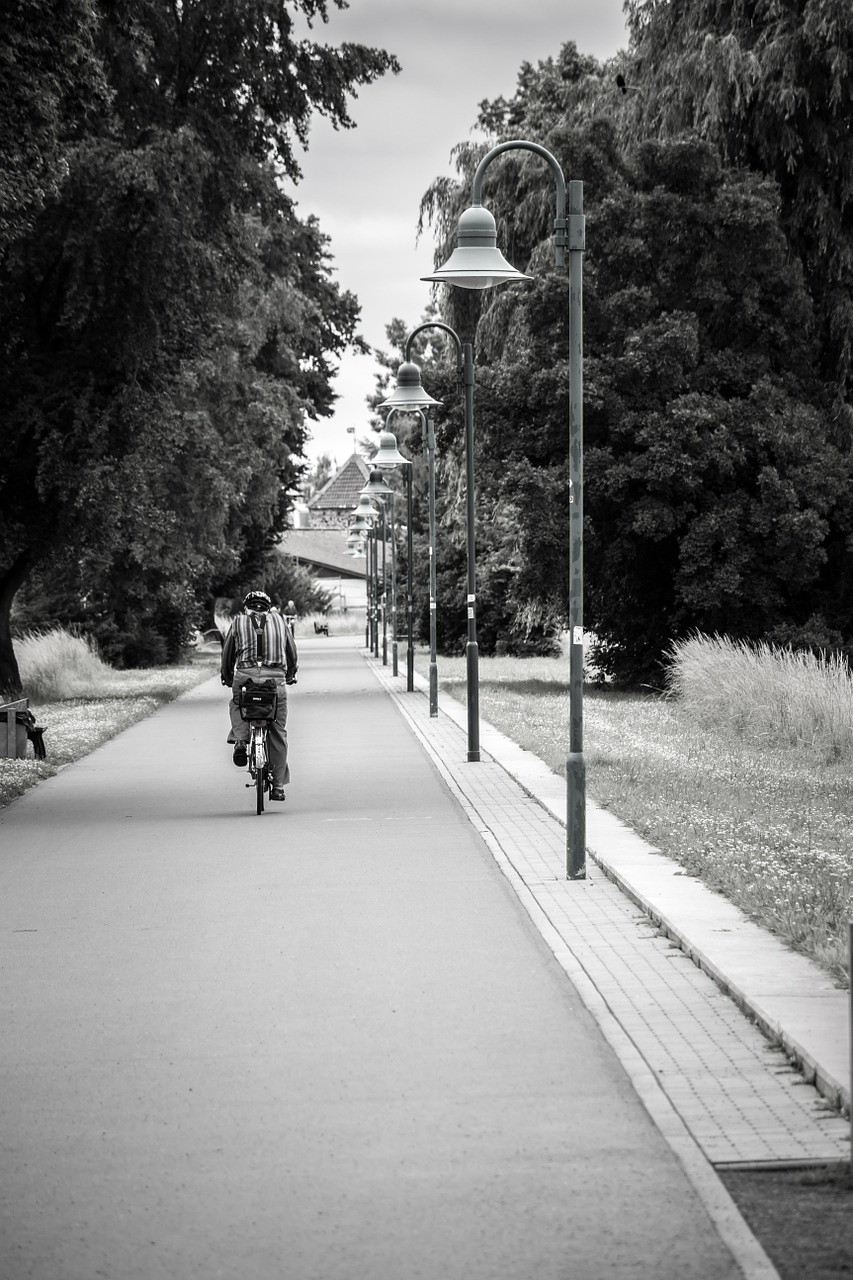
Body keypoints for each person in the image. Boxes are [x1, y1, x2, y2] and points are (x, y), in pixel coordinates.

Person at [220, 590, 298, 801]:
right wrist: (290, 674)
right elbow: (291, 651)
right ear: (268, 607)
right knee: (278, 731)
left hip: (245, 677)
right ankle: (279, 786)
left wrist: (227, 677)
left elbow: (227, 655)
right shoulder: (280, 621)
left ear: (247, 608)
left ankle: (241, 741)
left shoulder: (238, 622)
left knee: (237, 703)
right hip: (275, 680)